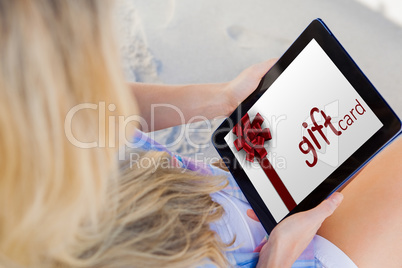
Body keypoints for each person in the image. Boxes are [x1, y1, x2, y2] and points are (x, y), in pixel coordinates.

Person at [0, 1, 401, 267]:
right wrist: (278, 255)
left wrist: (222, 99)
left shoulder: (28, 117)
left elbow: (91, 107)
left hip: (218, 190)